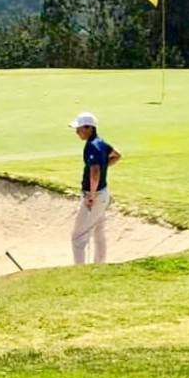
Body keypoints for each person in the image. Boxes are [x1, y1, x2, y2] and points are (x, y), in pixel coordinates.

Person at [69, 112, 121, 265]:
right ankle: (99, 264)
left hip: (96, 196)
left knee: (78, 237)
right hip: (103, 194)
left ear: (88, 128)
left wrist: (91, 196)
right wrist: (106, 165)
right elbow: (117, 155)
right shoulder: (101, 143)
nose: (77, 132)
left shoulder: (92, 146)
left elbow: (95, 172)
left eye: (79, 129)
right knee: (98, 231)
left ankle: (80, 270)